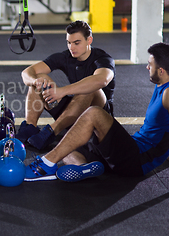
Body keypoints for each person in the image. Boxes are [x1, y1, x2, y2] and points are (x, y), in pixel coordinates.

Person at [24, 42, 169, 182]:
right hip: (131, 148)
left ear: (162, 70)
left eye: (150, 65)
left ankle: (45, 165)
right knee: (68, 147)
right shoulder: (164, 87)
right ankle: (86, 167)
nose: (147, 67)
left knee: (94, 113)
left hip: (137, 159)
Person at [17, 20, 115, 150]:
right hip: (75, 112)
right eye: (69, 42)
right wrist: (36, 81)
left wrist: (62, 91)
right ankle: (30, 128)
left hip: (100, 117)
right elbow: (27, 73)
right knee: (40, 78)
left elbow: (101, 80)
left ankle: (51, 132)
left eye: (77, 43)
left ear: (89, 40)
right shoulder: (66, 56)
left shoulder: (103, 59)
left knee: (91, 89)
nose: (72, 47)